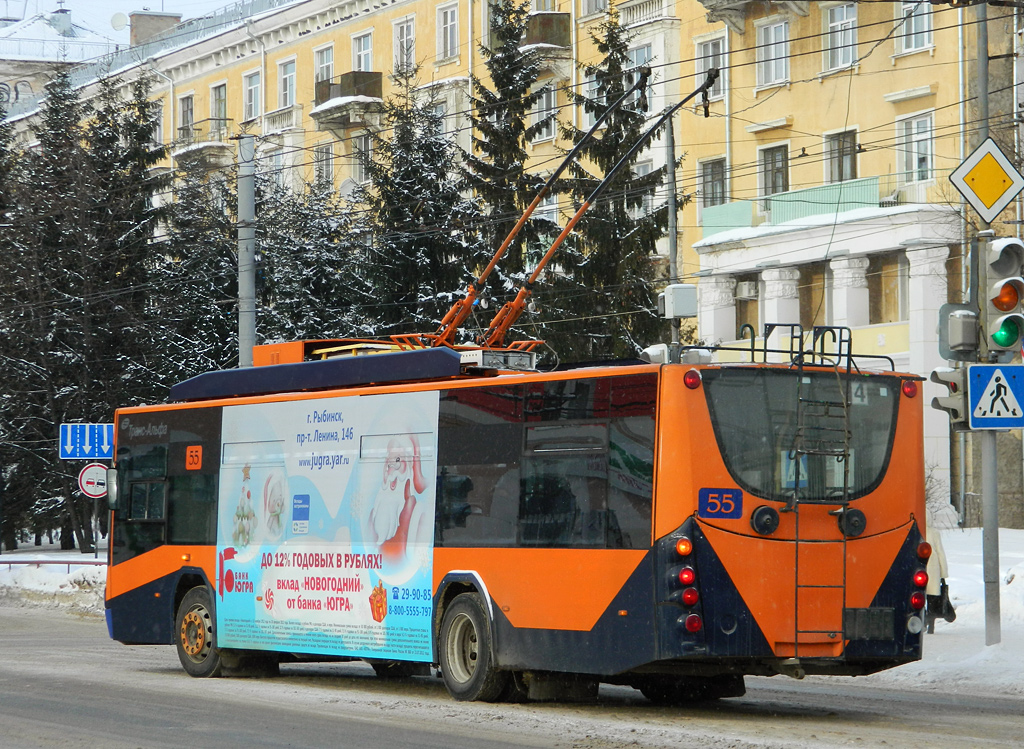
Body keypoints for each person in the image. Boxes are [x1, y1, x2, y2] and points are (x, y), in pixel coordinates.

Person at [925, 526, 956, 633]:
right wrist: (943, 573)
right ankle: (931, 625)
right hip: (933, 569)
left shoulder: (914, 530)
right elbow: (940, 552)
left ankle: (921, 622)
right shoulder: (934, 532)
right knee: (932, 599)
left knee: (918, 598)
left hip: (918, 567)